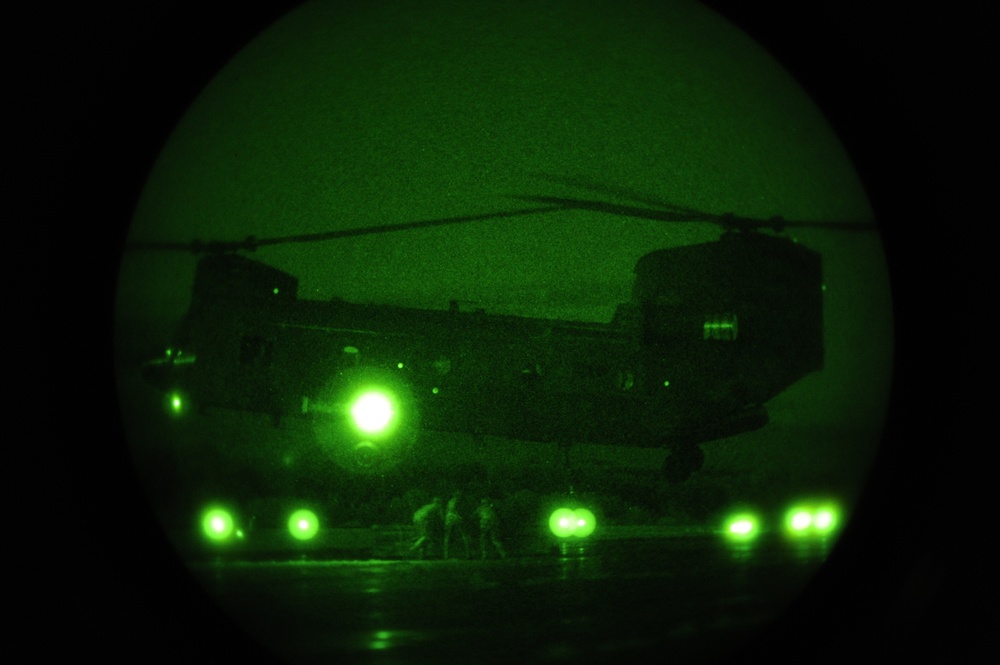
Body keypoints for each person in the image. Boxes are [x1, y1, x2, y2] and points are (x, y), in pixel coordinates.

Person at [443, 491, 471, 559]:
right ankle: (468, 554)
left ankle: (446, 555)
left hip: (449, 517)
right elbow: (458, 510)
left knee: (447, 536)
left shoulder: (450, 501)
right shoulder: (459, 501)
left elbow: (447, 510)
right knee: (464, 534)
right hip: (455, 516)